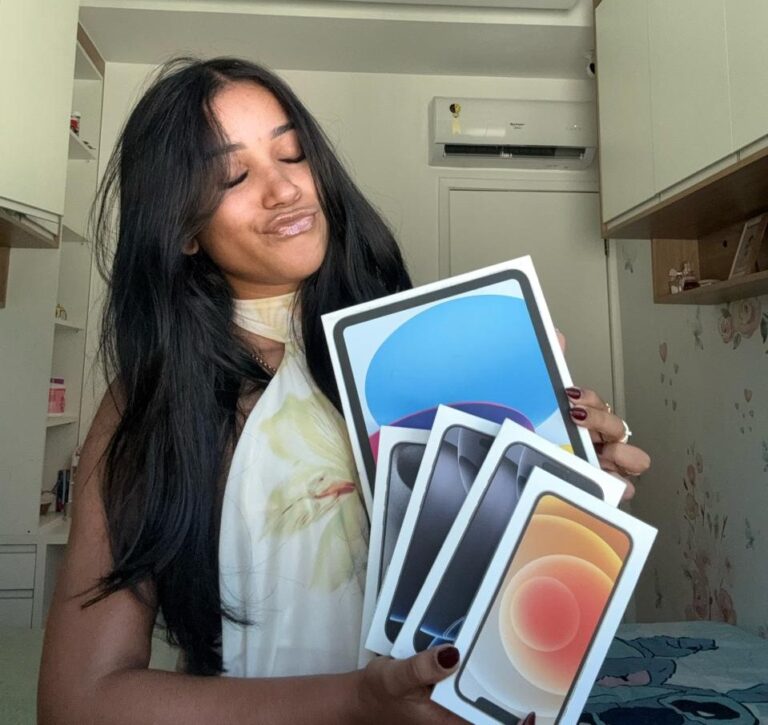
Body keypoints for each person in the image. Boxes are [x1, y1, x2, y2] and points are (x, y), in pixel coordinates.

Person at [38, 57, 650, 725]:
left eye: (292, 155)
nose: (284, 190)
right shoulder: (155, 401)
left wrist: (571, 479)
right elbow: (77, 700)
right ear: (180, 227)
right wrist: (358, 701)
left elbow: (500, 583)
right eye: (232, 176)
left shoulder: (418, 354)